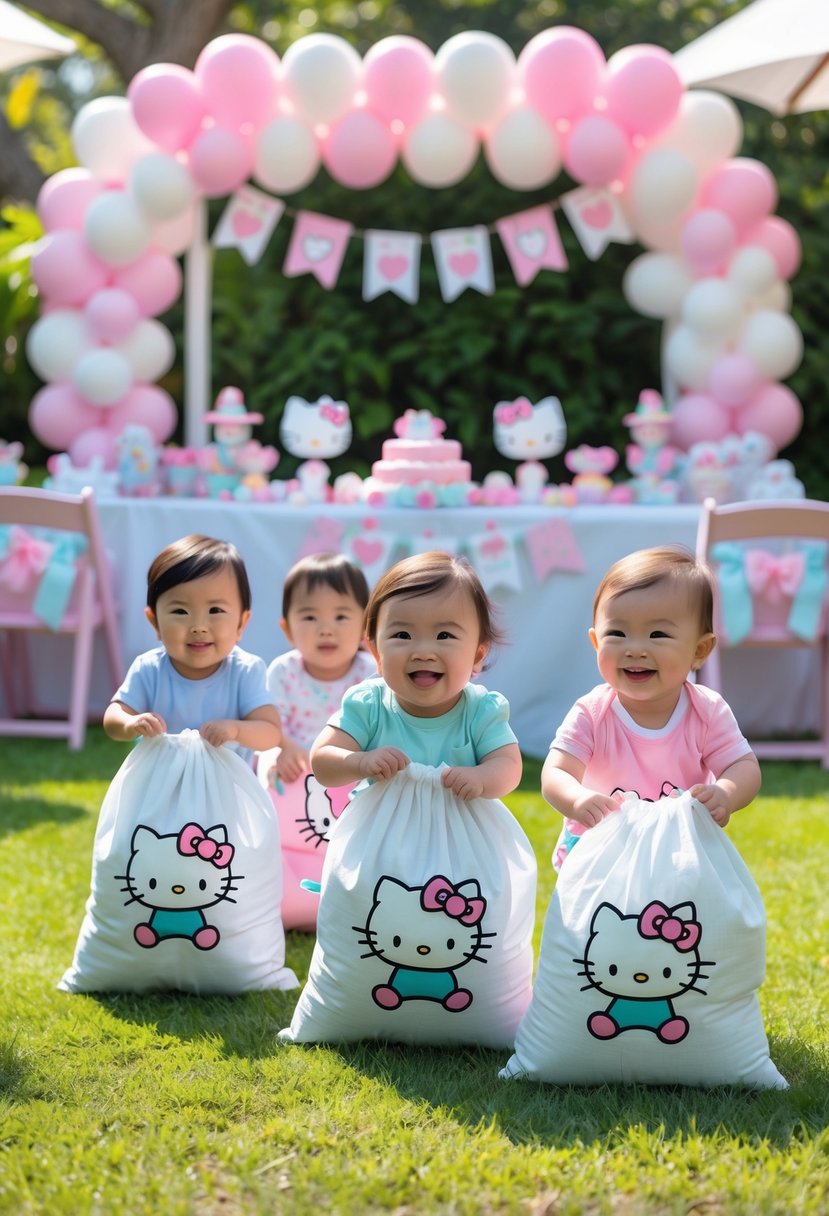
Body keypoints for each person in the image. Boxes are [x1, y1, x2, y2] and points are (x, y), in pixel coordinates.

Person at [542, 544, 761, 870]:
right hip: (601, 852)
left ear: (700, 650)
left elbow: (743, 767)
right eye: (617, 633)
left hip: (678, 852)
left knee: (680, 918)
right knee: (598, 921)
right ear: (596, 642)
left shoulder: (707, 711)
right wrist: (576, 798)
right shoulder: (592, 712)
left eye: (657, 634)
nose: (635, 649)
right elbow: (556, 772)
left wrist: (726, 793)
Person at [311, 550, 522, 801]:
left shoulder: (480, 711)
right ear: (376, 652)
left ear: (477, 656)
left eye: (444, 636)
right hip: (382, 831)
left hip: (459, 831)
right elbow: (322, 760)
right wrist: (360, 761)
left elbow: (509, 766)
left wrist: (482, 778)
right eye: (403, 635)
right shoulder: (370, 705)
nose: (423, 652)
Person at [104, 534, 282, 759]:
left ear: (241, 623)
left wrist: (236, 730)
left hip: (226, 788)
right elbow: (113, 717)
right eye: (180, 611)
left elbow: (270, 732)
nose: (198, 627)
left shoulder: (245, 670)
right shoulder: (149, 669)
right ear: (154, 622)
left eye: (215, 611)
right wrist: (130, 722)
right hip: (161, 784)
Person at [262, 552, 376, 785]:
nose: (326, 629)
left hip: (353, 773)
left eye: (341, 616)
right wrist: (285, 747)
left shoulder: (372, 674)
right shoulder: (284, 671)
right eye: (311, 617)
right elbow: (269, 723)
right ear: (287, 629)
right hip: (294, 773)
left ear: (365, 625)